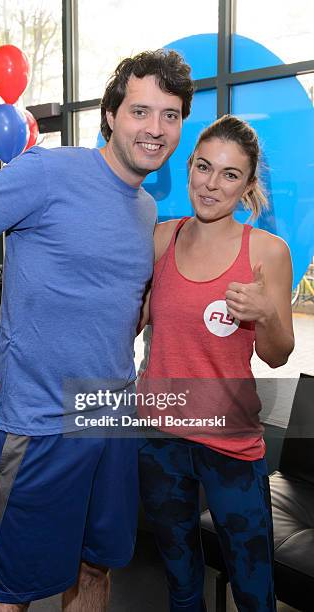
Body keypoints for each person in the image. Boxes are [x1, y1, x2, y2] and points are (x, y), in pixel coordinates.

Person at [0, 50, 194, 611]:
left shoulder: (143, 209)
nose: (156, 129)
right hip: (40, 424)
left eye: (170, 115)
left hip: (109, 419)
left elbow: (118, 306)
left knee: (96, 567)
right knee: (6, 592)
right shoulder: (48, 171)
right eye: (141, 111)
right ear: (111, 114)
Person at [137, 115, 294, 611]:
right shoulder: (161, 238)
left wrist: (265, 313)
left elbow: (276, 352)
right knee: (181, 580)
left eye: (229, 174)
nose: (211, 183)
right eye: (203, 167)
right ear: (189, 167)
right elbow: (130, 322)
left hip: (230, 443)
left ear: (248, 186)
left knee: (252, 585)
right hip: (159, 435)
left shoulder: (267, 251)